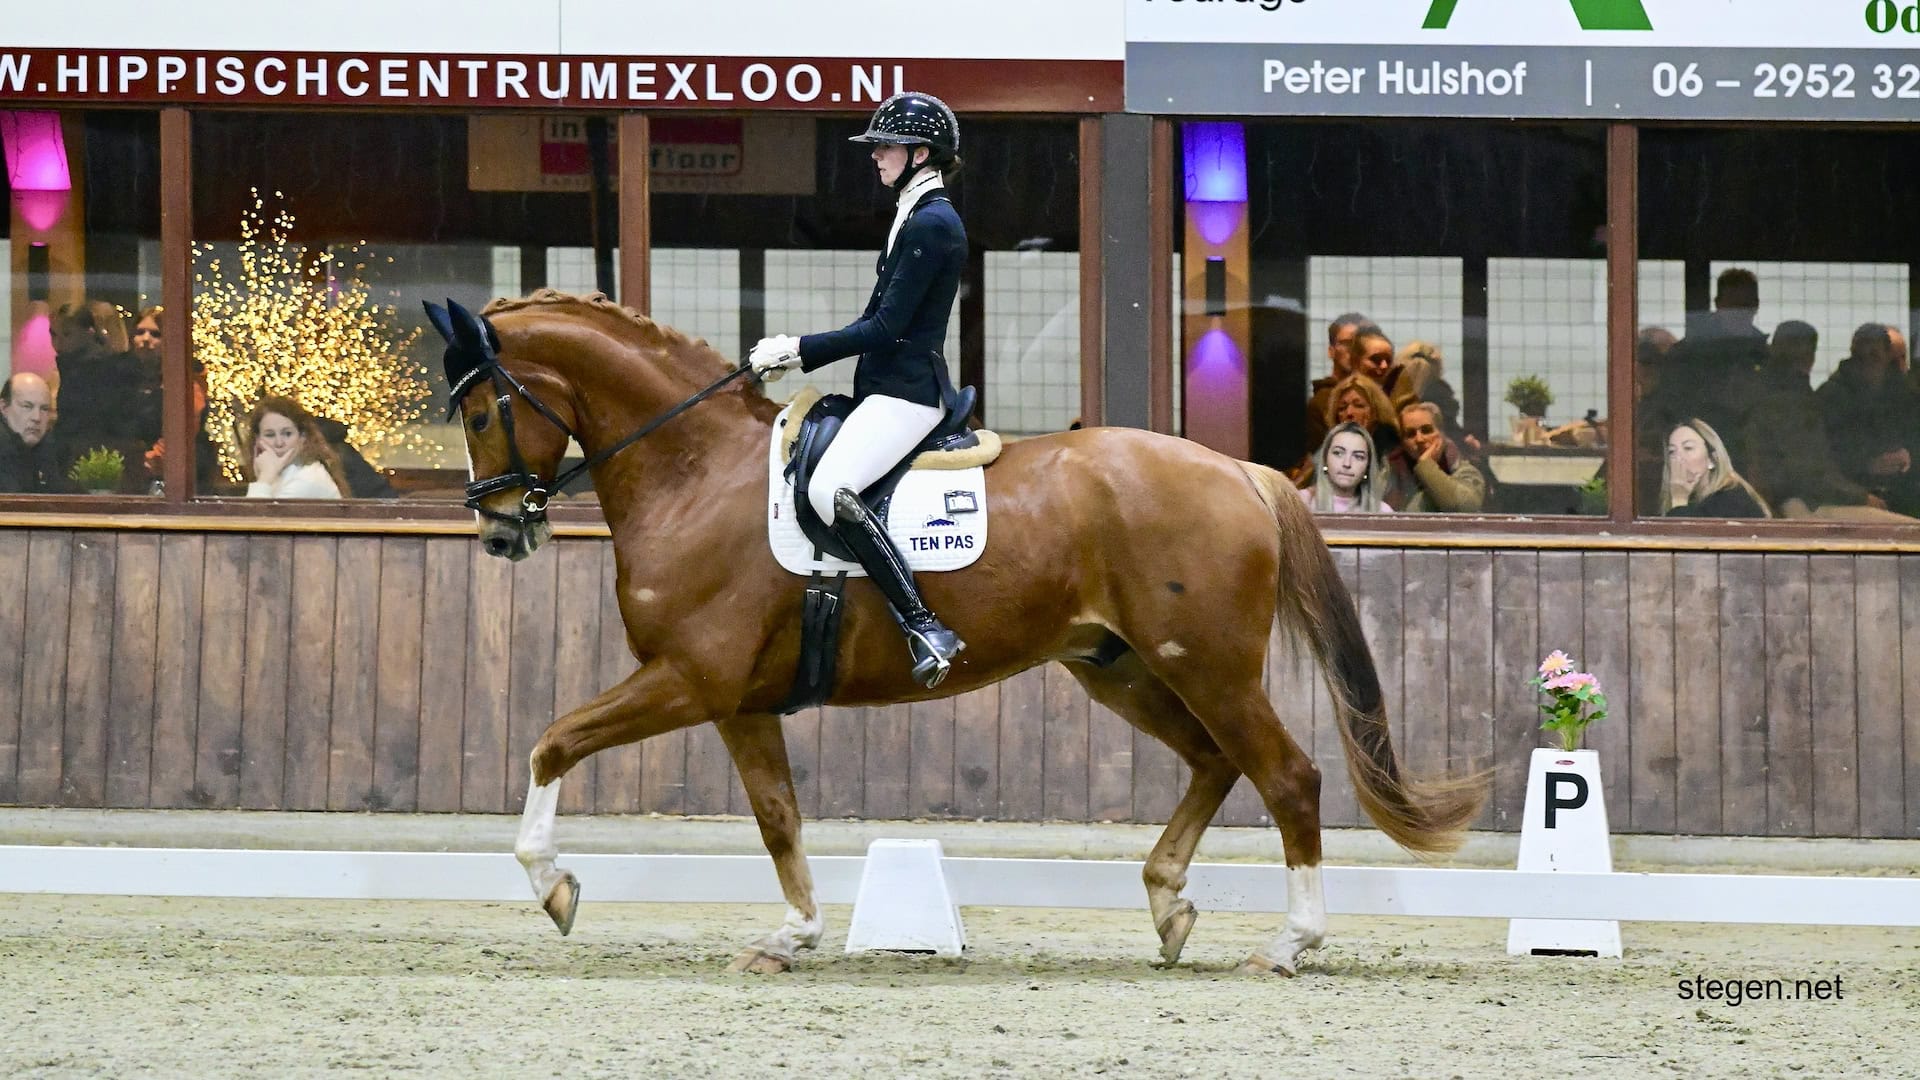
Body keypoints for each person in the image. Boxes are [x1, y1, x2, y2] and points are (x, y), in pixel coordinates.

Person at [746, 91, 968, 688]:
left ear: (921, 153)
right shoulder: (912, 214)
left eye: (885, 147)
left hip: (909, 393)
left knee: (830, 489)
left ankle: (923, 623)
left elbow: (886, 327)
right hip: (885, 387)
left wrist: (799, 351)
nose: (876, 157)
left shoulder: (933, 223)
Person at [1741, 321, 1892, 518]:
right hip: (1796, 503)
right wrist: (1861, 497)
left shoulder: (1766, 391)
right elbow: (1807, 474)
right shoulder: (1789, 401)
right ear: (1809, 357)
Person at [238, 396, 350, 499]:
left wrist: (265, 478)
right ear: (257, 440)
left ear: (302, 438)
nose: (279, 443)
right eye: (270, 435)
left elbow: (256, 518)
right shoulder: (283, 473)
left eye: (287, 434)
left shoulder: (306, 480)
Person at [1382, 401, 1486, 513]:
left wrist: (1426, 466)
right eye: (1411, 434)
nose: (1419, 439)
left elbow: (1464, 507)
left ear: (1441, 434)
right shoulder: (1390, 471)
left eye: (1426, 430)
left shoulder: (1462, 469)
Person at [1663, 419, 1770, 518]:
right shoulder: (1695, 501)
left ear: (1712, 460)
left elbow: (1686, 536)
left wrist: (1679, 500)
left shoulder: (1730, 500)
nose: (1678, 458)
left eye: (1688, 448)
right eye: (1672, 452)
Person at [1303, 313, 1371, 456]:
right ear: (1331, 351)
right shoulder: (1320, 402)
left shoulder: (1374, 393)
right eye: (1347, 343)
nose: (1353, 350)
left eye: (1359, 343)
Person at [1299, 422, 1392, 514]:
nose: (1347, 463)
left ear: (1368, 467)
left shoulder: (1382, 512)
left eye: (1358, 456)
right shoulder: (1300, 502)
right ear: (1324, 459)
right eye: (1338, 453)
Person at [0, 372, 64, 494]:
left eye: (44, 409)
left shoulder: (51, 448)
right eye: (27, 407)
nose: (37, 417)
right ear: (4, 407)